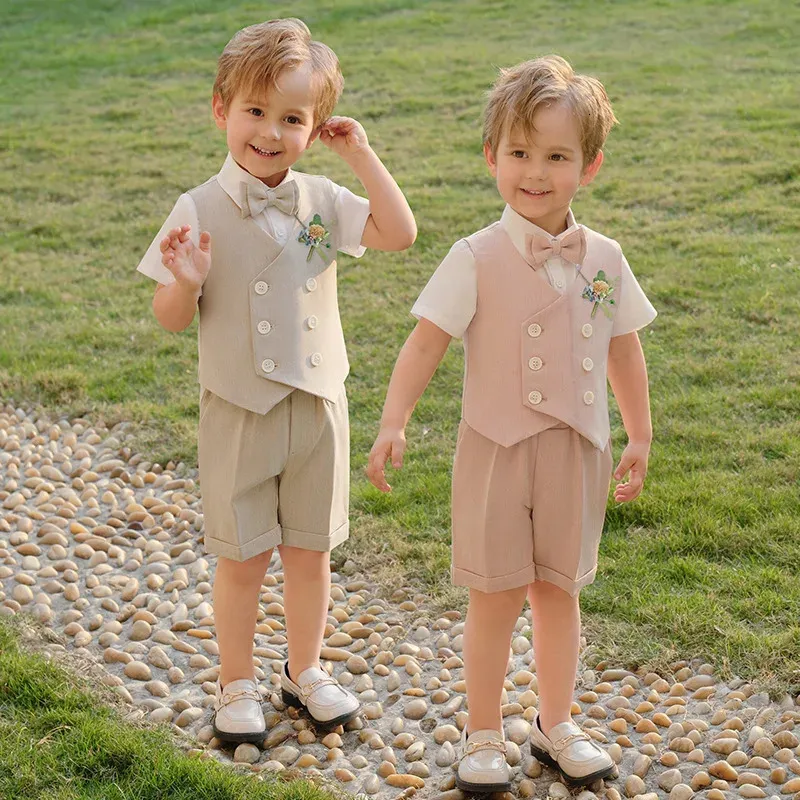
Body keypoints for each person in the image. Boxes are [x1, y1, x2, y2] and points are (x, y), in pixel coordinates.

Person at [366, 55, 656, 792]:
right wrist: (394, 418)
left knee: (560, 593)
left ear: (588, 166)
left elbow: (624, 347)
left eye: (556, 156)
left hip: (578, 449)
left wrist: (640, 433)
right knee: (493, 596)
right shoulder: (475, 257)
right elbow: (426, 340)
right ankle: (484, 731)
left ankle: (557, 722)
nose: (536, 172)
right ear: (491, 156)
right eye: (520, 153)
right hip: (495, 450)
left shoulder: (607, 260)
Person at [136, 18, 416, 743]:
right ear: (221, 109)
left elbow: (399, 232)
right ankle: (235, 682)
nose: (269, 131)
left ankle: (304, 669)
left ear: (314, 125)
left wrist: (361, 157)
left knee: (310, 550)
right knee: (242, 555)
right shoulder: (196, 208)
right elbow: (169, 319)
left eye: (292, 118)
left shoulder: (322, 199)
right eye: (255, 111)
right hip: (238, 409)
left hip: (319, 403)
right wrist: (185, 281)